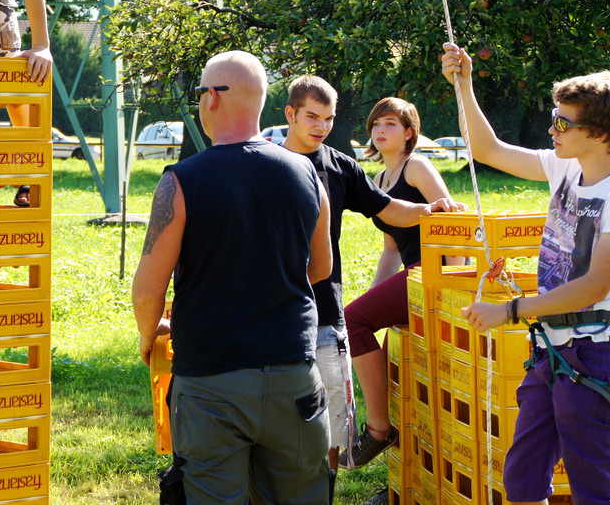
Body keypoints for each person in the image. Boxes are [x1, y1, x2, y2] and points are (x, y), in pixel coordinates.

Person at [443, 42, 610, 505]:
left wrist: (510, 310)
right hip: (550, 351)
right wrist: (464, 84)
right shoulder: (565, 166)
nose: (551, 129)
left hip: (593, 356)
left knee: (594, 492)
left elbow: (594, 287)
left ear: (598, 133)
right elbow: (486, 149)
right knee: (523, 481)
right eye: (554, 117)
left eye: (562, 123)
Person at [132, 51, 334, 505]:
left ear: (212, 98)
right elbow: (321, 269)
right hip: (293, 374)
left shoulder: (181, 180)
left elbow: (147, 292)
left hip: (211, 380)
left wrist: (149, 336)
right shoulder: (307, 172)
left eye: (199, 92)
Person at [280, 77, 464, 488]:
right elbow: (391, 247)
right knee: (281, 419)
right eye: (312, 117)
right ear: (290, 114)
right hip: (273, 310)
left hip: (330, 306)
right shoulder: (266, 161)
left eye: (328, 119)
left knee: (331, 420)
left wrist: (431, 214)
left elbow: (401, 212)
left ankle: (341, 471)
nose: (321, 126)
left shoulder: (345, 166)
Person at [340, 97, 464, 475]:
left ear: (409, 133)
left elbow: (452, 220)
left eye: (391, 124)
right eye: (376, 124)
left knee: (351, 320)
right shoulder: (379, 180)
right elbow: (391, 248)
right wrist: (370, 301)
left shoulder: (417, 166)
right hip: (411, 271)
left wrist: (451, 282)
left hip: (434, 271)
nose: (380, 130)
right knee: (392, 367)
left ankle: (378, 431)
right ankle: (402, 475)